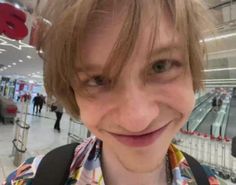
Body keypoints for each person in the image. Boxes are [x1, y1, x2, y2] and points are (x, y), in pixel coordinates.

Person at [3, 0, 220, 185]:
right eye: (97, 80)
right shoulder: (33, 179)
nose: (137, 119)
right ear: (72, 91)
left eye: (160, 66)